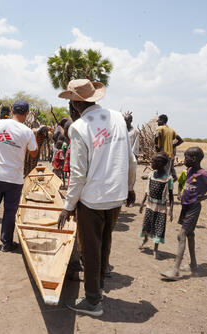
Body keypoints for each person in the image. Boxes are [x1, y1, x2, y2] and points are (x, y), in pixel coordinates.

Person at [57, 79, 136, 317]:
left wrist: (67, 206)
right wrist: (130, 187)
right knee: (105, 243)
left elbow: (78, 174)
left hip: (92, 200)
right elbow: (130, 158)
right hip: (116, 195)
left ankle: (92, 302)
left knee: (90, 251)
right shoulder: (117, 118)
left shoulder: (79, 127)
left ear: (75, 104)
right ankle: (98, 287)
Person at [161, 147, 207, 280]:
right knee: (190, 234)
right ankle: (193, 265)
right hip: (185, 206)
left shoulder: (203, 174)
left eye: (186, 157)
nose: (184, 160)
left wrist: (205, 197)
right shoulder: (190, 170)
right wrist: (181, 194)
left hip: (193, 208)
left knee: (181, 235)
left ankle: (175, 270)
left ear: (194, 159)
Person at [0, 99, 39, 252]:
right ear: (26, 114)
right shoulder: (27, 132)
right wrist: (32, 136)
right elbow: (34, 152)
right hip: (14, 178)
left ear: (12, 110)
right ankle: (6, 243)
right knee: (9, 211)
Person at [139, 152, 174, 259]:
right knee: (147, 225)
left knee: (159, 228)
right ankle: (145, 239)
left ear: (161, 164)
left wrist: (171, 211)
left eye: (153, 162)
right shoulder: (151, 175)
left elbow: (171, 196)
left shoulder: (168, 179)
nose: (151, 164)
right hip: (150, 205)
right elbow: (147, 190)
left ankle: (155, 249)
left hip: (161, 208)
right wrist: (142, 203)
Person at [154, 114, 183, 181]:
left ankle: (163, 189)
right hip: (169, 156)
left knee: (161, 173)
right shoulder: (171, 130)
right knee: (167, 173)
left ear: (162, 120)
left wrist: (156, 146)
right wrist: (173, 145)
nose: (157, 123)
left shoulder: (159, 128)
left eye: (158, 121)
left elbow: (156, 136)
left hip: (161, 155)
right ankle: (168, 188)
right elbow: (180, 140)